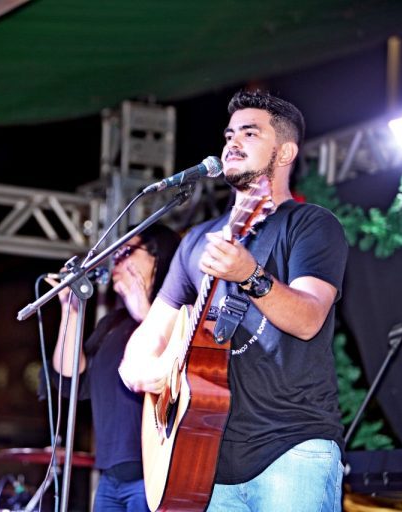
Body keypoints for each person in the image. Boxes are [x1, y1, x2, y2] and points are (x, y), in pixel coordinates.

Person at [118, 90, 348, 512]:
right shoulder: (197, 243)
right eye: (228, 134)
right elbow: (144, 342)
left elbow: (309, 318)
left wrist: (250, 275)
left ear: (285, 151)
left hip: (291, 450)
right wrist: (150, 373)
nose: (232, 142)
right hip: (203, 462)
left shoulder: (310, 225)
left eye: (249, 132)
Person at [45, 224, 180, 511]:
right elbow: (71, 380)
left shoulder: (178, 313)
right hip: (110, 476)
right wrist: (69, 310)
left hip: (154, 474)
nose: (116, 259)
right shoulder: (113, 323)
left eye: (127, 251)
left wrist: (144, 311)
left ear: (159, 256)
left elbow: (182, 365)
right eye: (115, 253)